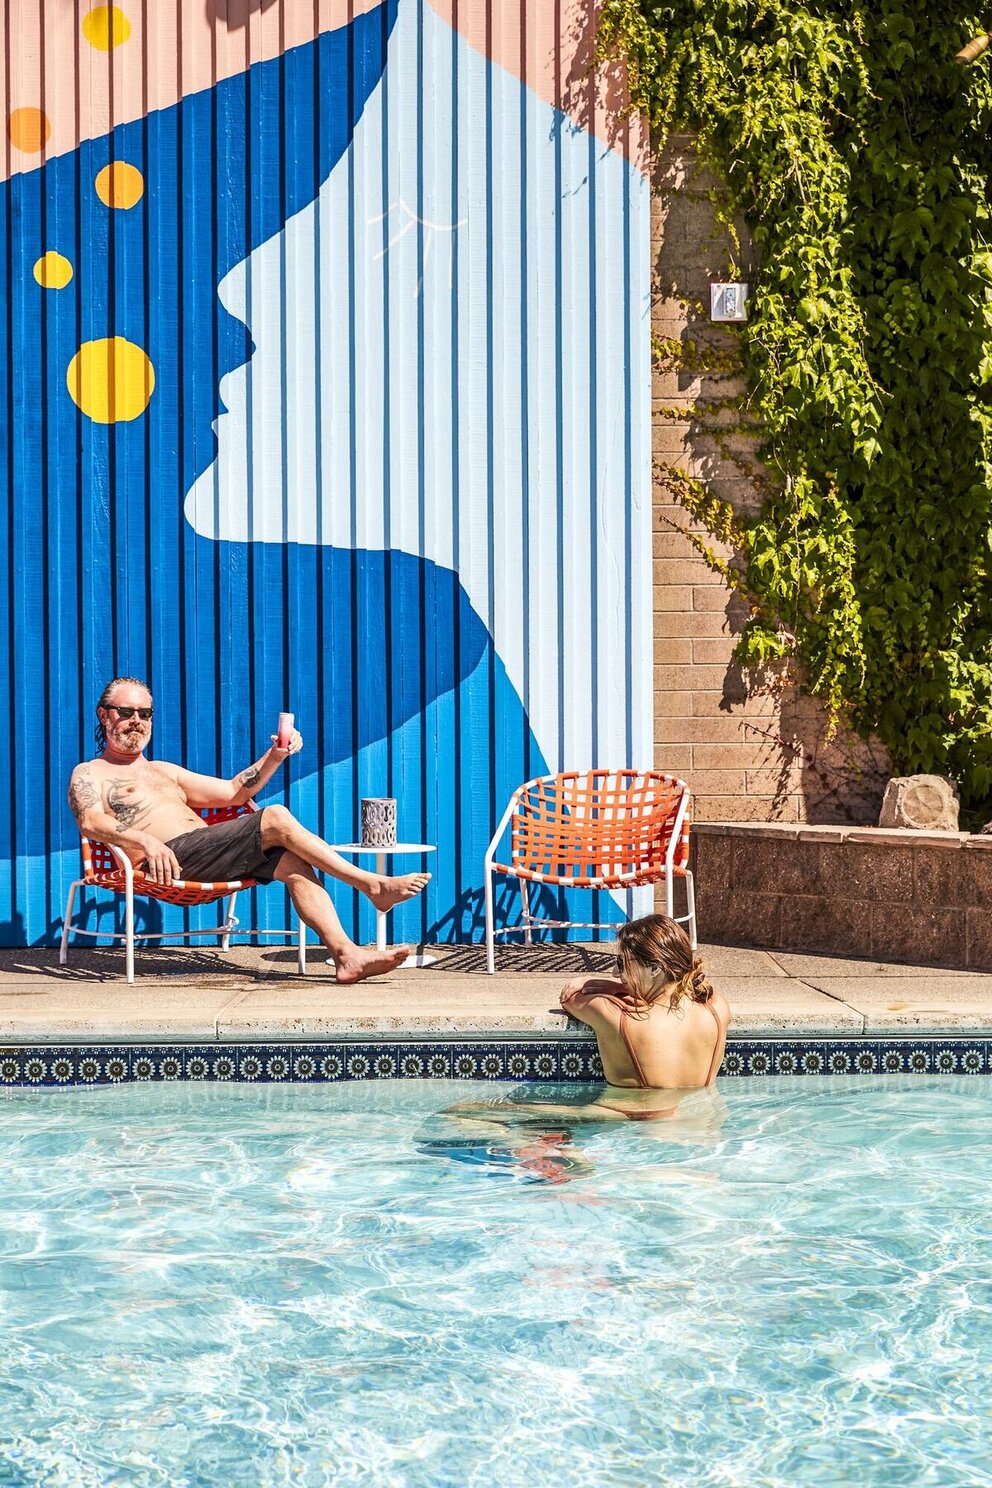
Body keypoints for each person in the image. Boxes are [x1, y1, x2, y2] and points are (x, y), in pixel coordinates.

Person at [67, 676, 430, 984]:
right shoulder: (90, 773)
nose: (136, 720)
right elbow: (91, 821)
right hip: (165, 862)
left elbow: (233, 792)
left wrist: (276, 755)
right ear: (104, 715)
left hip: (207, 856)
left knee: (293, 863)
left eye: (144, 713)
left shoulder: (164, 771)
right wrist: (145, 840)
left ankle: (347, 956)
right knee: (275, 816)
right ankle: (372, 885)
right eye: (125, 712)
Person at [449, 914, 730, 1125]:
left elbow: (571, 995)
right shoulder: (717, 1010)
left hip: (627, 1125)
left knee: (462, 1113)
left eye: (621, 964)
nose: (616, 973)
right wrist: (629, 985)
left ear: (655, 968)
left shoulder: (618, 1017)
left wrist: (608, 985)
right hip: (703, 1128)